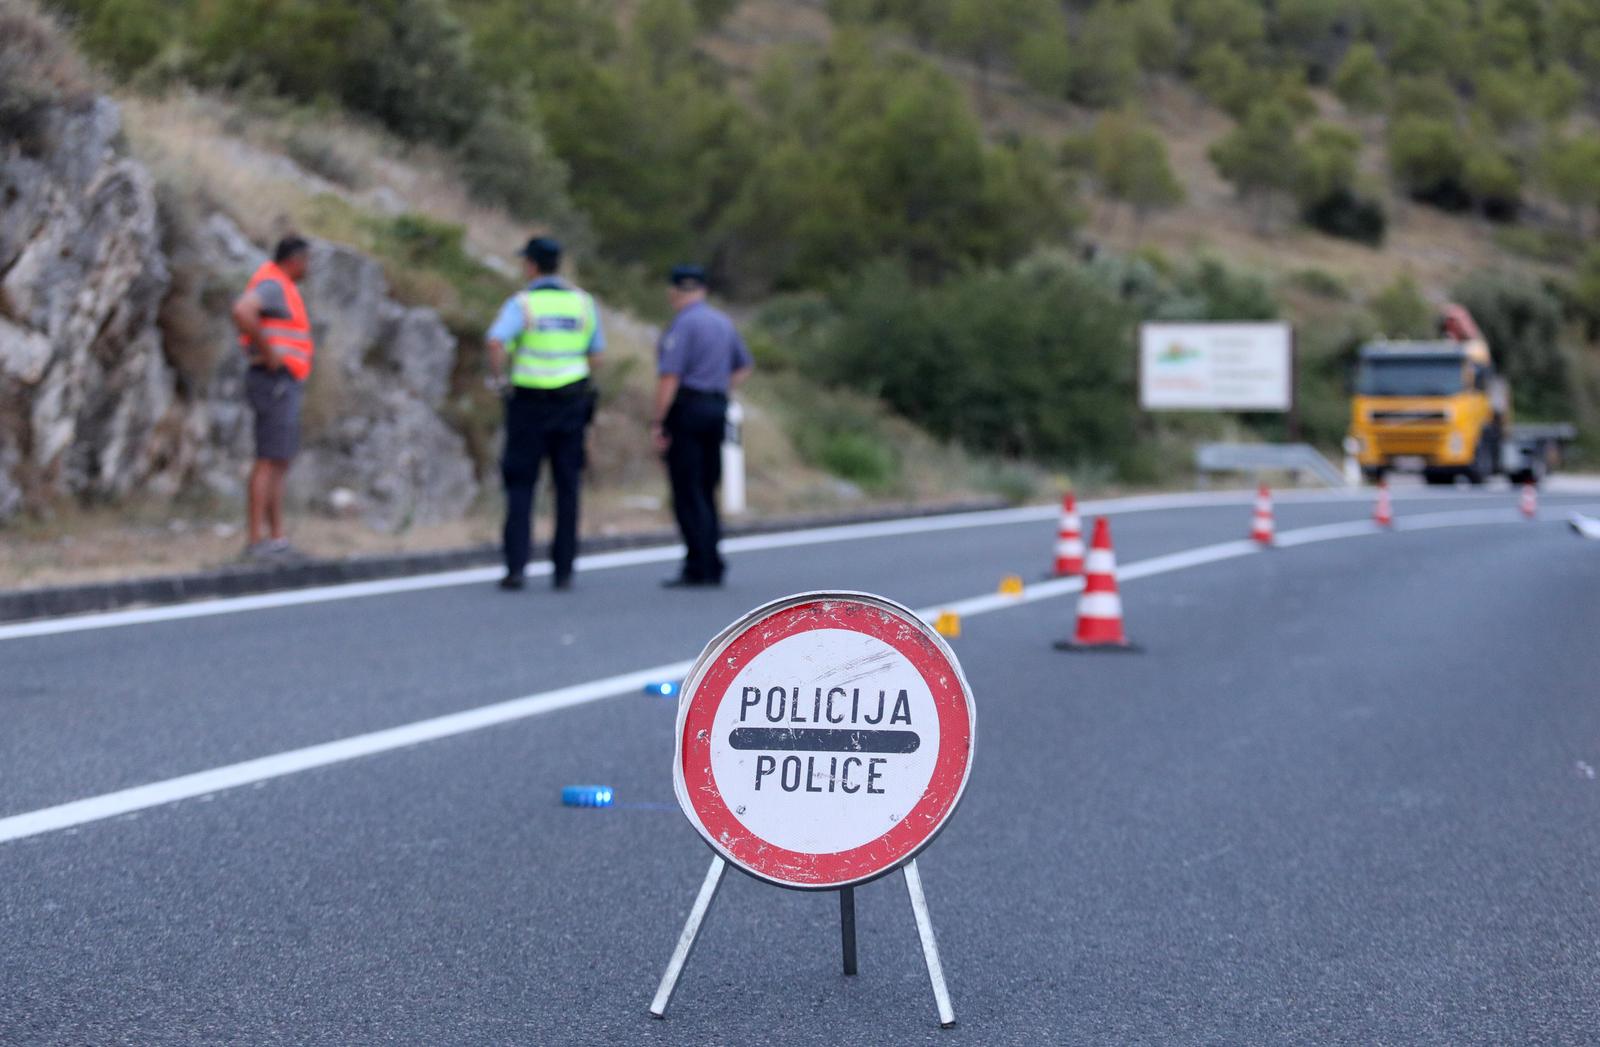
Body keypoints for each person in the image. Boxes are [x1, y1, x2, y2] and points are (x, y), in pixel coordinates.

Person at [486, 237, 603, 591]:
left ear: (532, 265)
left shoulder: (523, 303)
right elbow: (596, 354)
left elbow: (496, 342)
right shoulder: (583, 303)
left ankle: (516, 568)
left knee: (521, 484)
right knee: (567, 487)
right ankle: (563, 571)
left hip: (529, 404)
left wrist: (500, 380)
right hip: (571, 404)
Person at [653, 264, 752, 588]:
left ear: (673, 291)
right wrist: (718, 387)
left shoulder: (683, 324)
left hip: (688, 409)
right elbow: (744, 366)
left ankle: (697, 563)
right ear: (704, 289)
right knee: (708, 488)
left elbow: (670, 376)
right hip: (715, 407)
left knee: (687, 489)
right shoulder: (723, 322)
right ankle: (713, 561)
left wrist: (659, 420)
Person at [231, 236, 314, 560]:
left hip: (284, 380)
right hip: (273, 380)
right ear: (295, 260)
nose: (309, 268)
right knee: (268, 459)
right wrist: (269, 353)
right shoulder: (273, 284)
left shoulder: (283, 287)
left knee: (280, 458)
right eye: (307, 261)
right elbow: (242, 310)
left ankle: (276, 539)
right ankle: (256, 541)